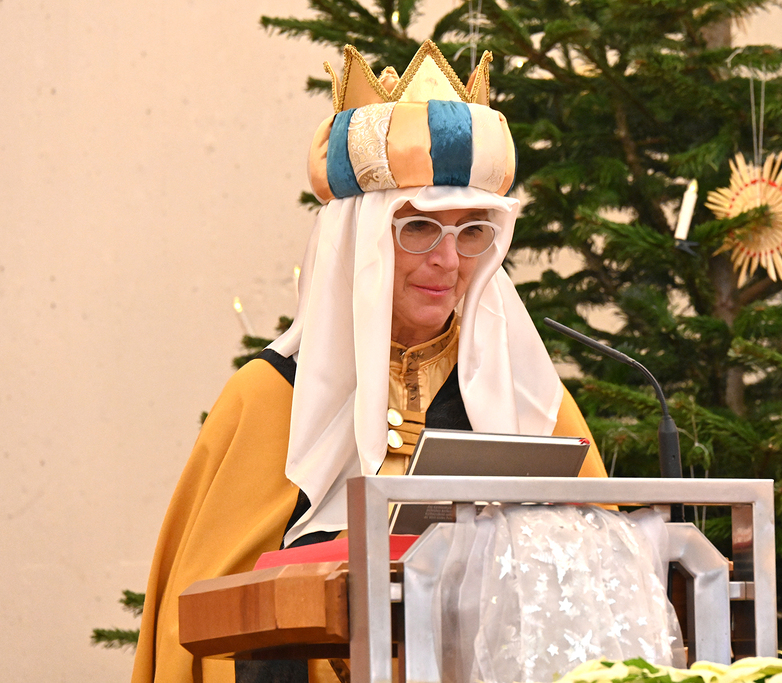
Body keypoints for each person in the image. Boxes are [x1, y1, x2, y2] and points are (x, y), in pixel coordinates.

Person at [131, 41, 608, 683]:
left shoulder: (529, 399)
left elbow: (608, 580)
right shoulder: (269, 397)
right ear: (358, 243)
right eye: (419, 228)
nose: (448, 261)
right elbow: (199, 629)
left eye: (472, 232)